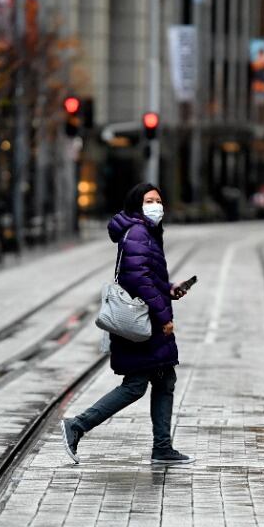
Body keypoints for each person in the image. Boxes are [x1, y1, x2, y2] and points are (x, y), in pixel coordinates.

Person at [61, 182, 194, 465]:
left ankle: (162, 448)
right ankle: (78, 425)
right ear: (137, 205)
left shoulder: (144, 232)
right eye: (149, 200)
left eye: (159, 200)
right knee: (135, 385)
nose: (156, 205)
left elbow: (147, 277)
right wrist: (164, 317)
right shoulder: (139, 233)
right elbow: (138, 280)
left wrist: (169, 289)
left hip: (146, 318)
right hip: (144, 323)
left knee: (164, 379)